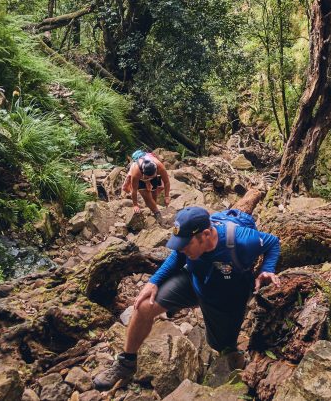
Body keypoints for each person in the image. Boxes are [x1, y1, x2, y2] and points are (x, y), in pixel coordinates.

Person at [93, 206, 281, 391]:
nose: (181, 249)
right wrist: (154, 281)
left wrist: (267, 269)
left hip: (226, 298)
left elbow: (273, 242)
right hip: (194, 281)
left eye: (185, 244)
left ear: (206, 234)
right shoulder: (187, 246)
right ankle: (126, 364)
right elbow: (177, 257)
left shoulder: (242, 240)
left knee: (220, 346)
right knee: (143, 306)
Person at [122, 151, 171, 220]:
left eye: (151, 176)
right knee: (147, 197)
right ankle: (157, 213)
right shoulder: (136, 172)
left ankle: (153, 208)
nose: (149, 178)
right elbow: (134, 190)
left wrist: (166, 196)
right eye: (148, 177)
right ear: (144, 173)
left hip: (154, 176)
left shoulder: (160, 167)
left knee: (154, 193)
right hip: (141, 178)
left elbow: (166, 182)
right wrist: (135, 205)